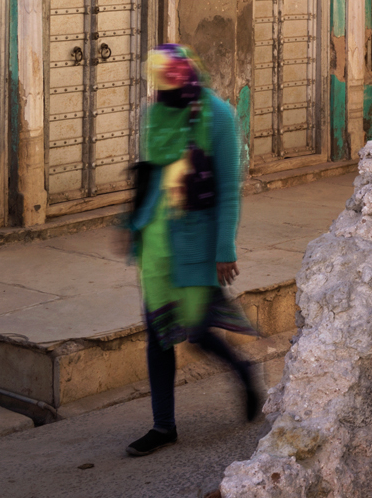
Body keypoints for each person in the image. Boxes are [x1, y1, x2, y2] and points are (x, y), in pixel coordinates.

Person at [120, 44, 263, 457]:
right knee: (158, 333)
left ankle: (244, 371)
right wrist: (133, 227)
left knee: (198, 332)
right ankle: (163, 426)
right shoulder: (157, 113)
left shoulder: (217, 115)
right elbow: (152, 174)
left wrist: (224, 249)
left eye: (166, 80)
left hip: (196, 242)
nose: (159, 90)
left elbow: (227, 187)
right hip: (157, 244)